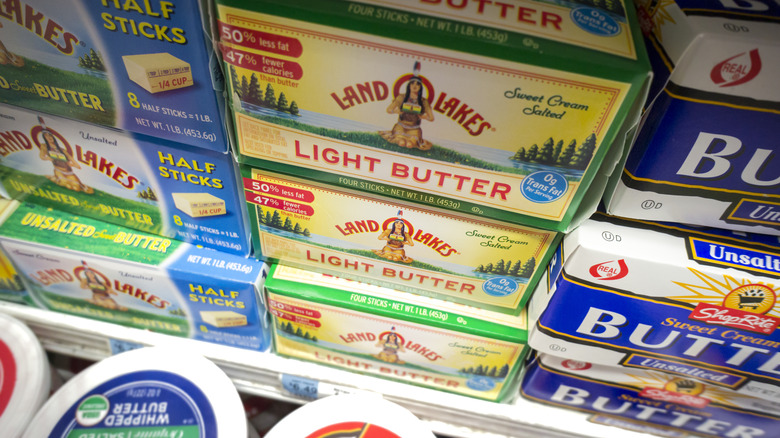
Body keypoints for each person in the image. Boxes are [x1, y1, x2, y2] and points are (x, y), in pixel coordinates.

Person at [379, 61, 434, 150]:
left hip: (414, 129)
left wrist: (423, 117)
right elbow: (389, 110)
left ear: (420, 87)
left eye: (417, 84)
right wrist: (395, 111)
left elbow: (431, 118)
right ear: (409, 86)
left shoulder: (424, 101)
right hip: (400, 127)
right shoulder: (402, 97)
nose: (414, 86)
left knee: (409, 144)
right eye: (412, 83)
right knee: (401, 142)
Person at [37, 121, 94, 194]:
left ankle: (80, 186)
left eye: (50, 135)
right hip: (58, 170)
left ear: (53, 137)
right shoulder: (44, 146)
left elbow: (77, 165)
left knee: (76, 188)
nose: (49, 137)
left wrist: (72, 164)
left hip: (69, 172)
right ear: (44, 138)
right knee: (65, 185)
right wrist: (47, 158)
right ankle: (53, 177)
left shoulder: (63, 150)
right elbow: (41, 157)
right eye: (46, 136)